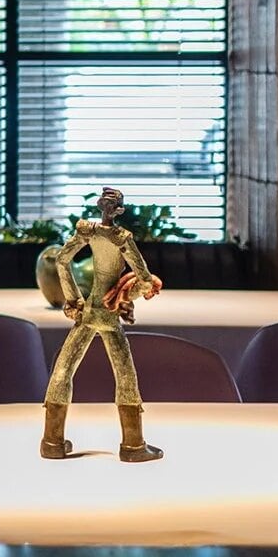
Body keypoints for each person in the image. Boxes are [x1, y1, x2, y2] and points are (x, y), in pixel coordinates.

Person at [40, 186, 165, 463]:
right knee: (125, 376)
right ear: (118, 210)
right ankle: (133, 445)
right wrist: (132, 290)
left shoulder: (88, 230)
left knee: (64, 368)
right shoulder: (121, 238)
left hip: (88, 311)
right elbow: (143, 278)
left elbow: (62, 260)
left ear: (100, 207)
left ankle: (52, 441)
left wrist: (74, 300)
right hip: (108, 315)